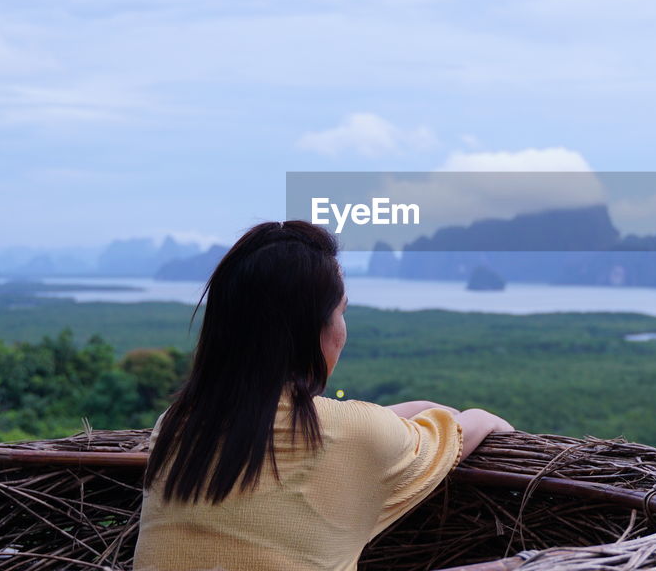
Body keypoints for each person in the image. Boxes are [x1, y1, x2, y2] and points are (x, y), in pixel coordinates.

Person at [132, 220, 515, 571]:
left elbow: (324, 428)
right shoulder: (358, 435)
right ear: (312, 329)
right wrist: (477, 414)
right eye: (341, 311)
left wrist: (418, 411)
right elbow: (470, 426)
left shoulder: (178, 422)